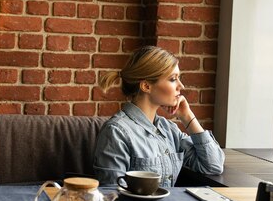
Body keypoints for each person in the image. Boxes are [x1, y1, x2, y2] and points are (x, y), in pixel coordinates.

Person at [93, 46, 224, 187]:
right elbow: (112, 192)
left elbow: (213, 165)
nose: (181, 86)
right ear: (146, 86)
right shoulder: (116, 132)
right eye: (173, 79)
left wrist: (187, 116)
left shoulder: (169, 130)